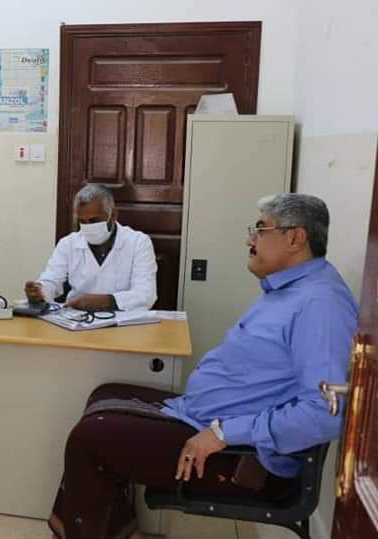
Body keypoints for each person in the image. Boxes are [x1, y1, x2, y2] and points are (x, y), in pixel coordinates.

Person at [47, 193, 358, 539]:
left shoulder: (320, 305)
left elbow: (326, 414)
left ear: (295, 238)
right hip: (203, 418)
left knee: (89, 438)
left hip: (243, 459)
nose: (249, 240)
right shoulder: (292, 290)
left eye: (259, 229)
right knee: (105, 394)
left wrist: (225, 433)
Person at [26, 184, 157, 311]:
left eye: (94, 220)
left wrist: (105, 301)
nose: (88, 226)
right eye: (82, 221)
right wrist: (40, 291)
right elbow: (51, 280)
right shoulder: (68, 244)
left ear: (113, 215)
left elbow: (146, 294)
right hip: (77, 317)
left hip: (123, 318)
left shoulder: (138, 242)